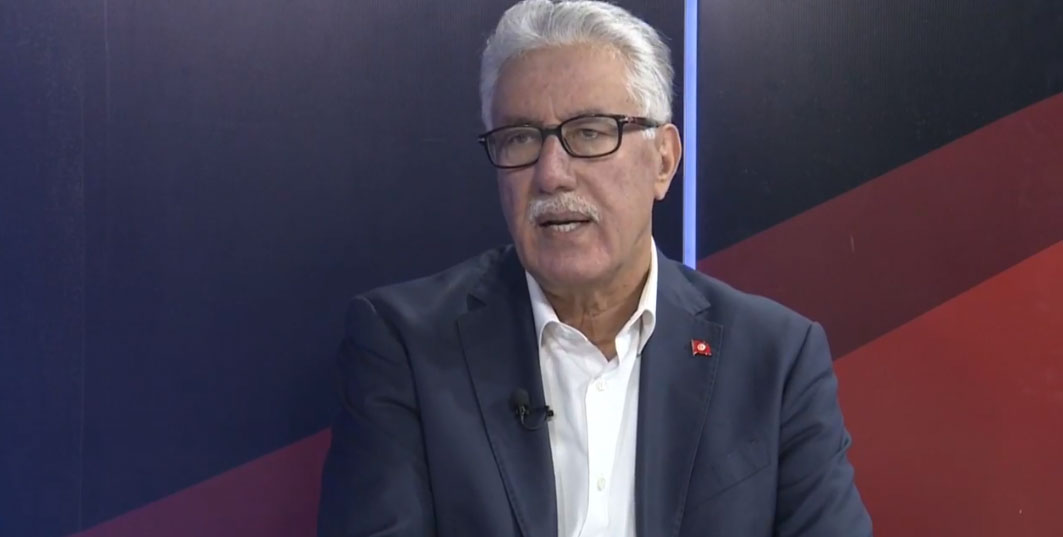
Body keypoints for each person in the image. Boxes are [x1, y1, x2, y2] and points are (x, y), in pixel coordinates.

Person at [317, 1, 872, 536]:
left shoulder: (775, 358)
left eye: (589, 132)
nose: (551, 174)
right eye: (520, 138)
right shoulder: (405, 345)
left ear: (663, 160)